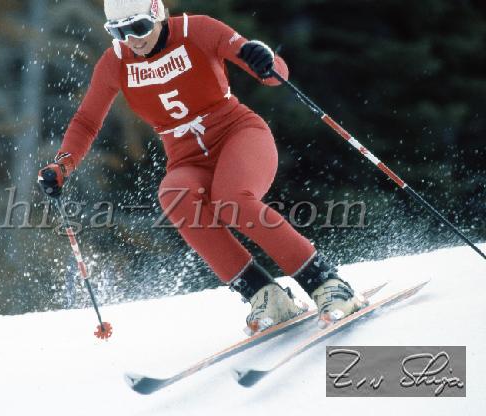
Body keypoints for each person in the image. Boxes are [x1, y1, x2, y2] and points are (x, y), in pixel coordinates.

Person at [38, 0, 365, 331]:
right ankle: (265, 295)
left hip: (238, 134)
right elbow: (86, 121)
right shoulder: (115, 62)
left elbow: (274, 75)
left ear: (157, 14)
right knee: (175, 195)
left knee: (231, 200)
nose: (132, 39)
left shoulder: (197, 30)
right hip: (187, 157)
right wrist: (62, 166)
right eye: (120, 32)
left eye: (138, 27)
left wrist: (264, 59)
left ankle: (328, 284)